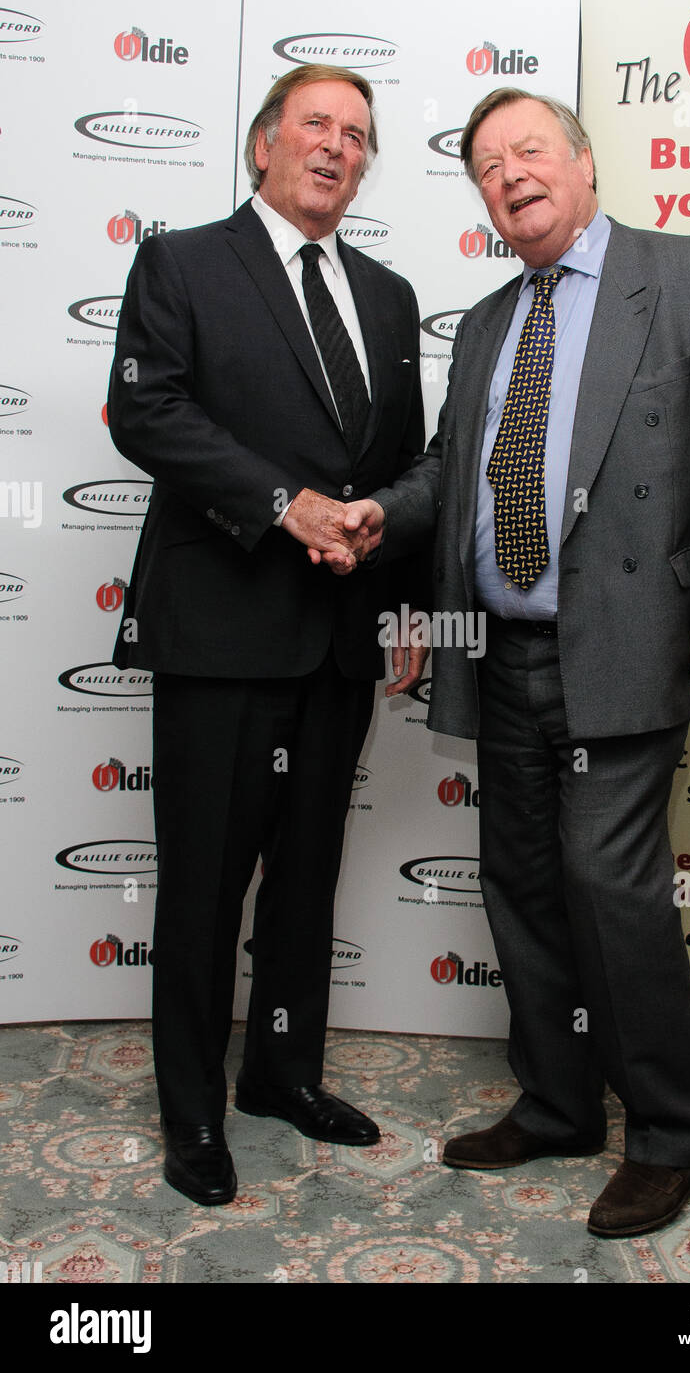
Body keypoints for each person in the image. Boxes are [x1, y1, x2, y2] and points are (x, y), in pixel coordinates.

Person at [342, 88, 690, 1237]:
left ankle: (669, 1134)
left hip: (629, 647)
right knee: (522, 885)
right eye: (485, 165)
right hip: (497, 650)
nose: (509, 174)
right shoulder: (487, 323)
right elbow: (449, 479)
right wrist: (371, 523)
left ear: (582, 163)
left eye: (527, 149)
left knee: (610, 886)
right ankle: (554, 1101)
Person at [107, 65, 425, 1205]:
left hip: (338, 639)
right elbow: (147, 407)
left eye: (357, 134)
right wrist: (276, 501)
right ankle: (191, 1111)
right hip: (220, 635)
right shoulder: (182, 261)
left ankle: (278, 1074)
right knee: (203, 888)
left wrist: (405, 605)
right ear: (262, 145)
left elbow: (403, 474)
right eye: (315, 126)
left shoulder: (388, 297)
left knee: (303, 881)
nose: (336, 147)